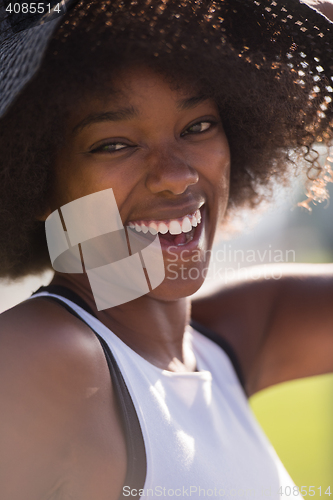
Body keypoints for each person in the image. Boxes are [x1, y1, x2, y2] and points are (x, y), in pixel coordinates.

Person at [1, 0, 333, 498]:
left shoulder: (232, 339)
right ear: (34, 181)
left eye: (197, 126)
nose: (176, 176)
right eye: (114, 144)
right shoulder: (40, 358)